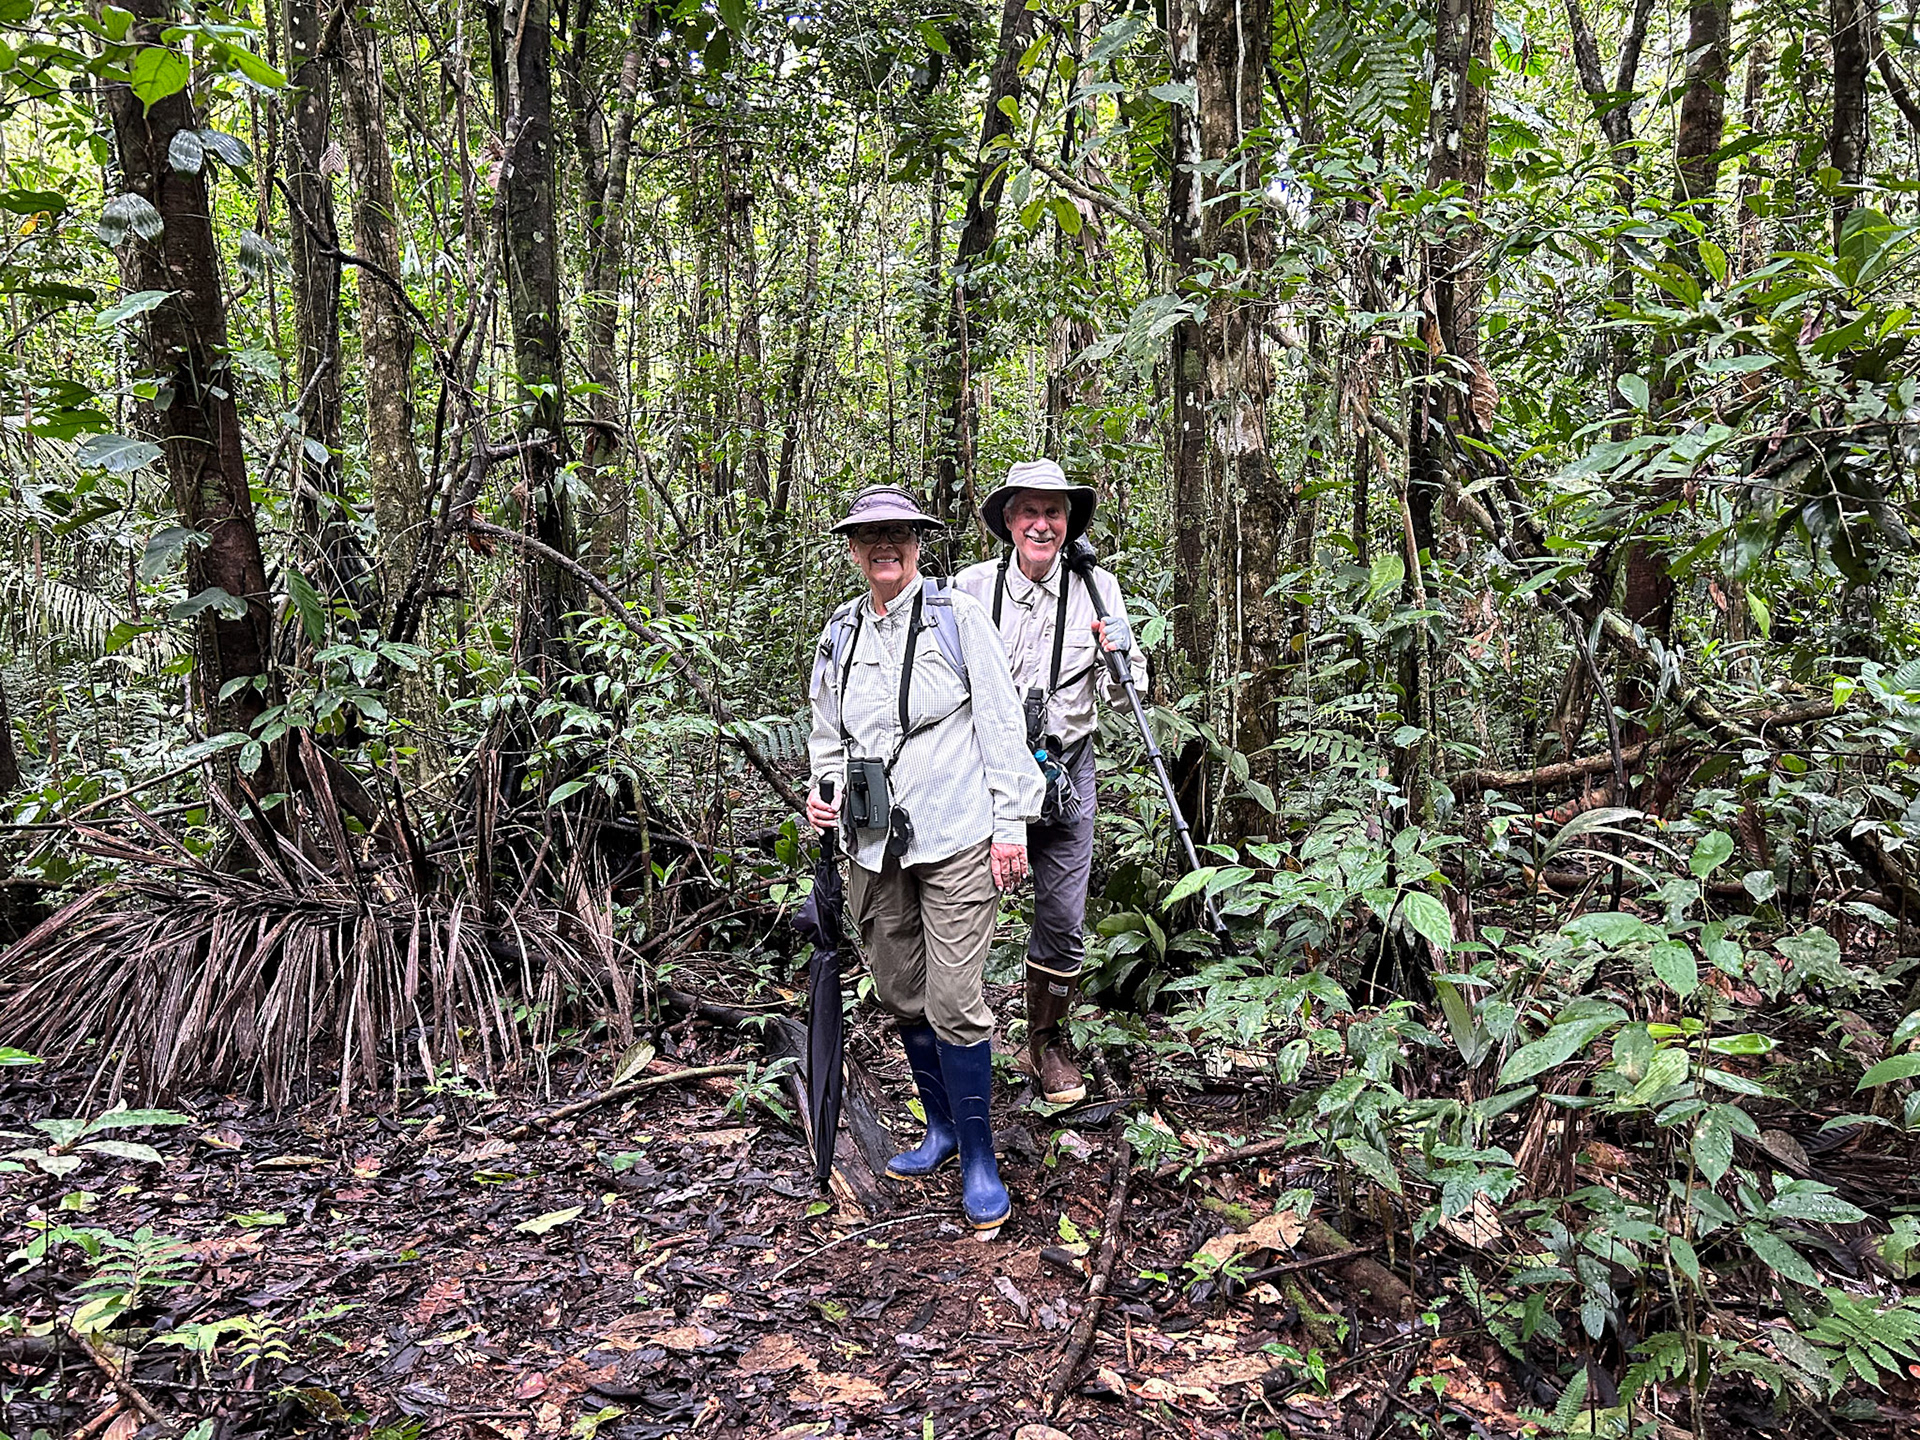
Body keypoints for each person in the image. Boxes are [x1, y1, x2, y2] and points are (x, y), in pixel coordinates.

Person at [805, 483, 1044, 1236]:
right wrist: (824, 792)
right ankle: (940, 1130)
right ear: (851, 548)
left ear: (917, 542)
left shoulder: (956, 616)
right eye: (871, 535)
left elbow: (1003, 721)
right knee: (903, 992)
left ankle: (980, 1157)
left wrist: (1013, 823)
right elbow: (826, 734)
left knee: (954, 1001)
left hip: (958, 832)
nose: (886, 546)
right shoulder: (839, 632)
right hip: (873, 845)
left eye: (900, 534)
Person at [955, 460, 1147, 1105]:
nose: (1043, 524)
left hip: (1067, 766)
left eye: (1055, 512)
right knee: (960, 903)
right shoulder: (968, 590)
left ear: (1069, 523)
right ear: (1008, 520)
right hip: (983, 772)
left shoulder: (1098, 588)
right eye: (1029, 511)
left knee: (1063, 916)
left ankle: (1046, 1042)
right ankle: (959, 1041)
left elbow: (1128, 695)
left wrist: (1123, 654)